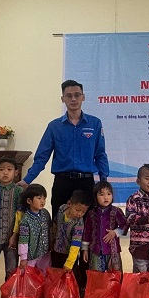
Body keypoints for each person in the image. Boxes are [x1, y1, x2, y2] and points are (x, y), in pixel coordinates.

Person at [17, 79, 108, 218]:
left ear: (83, 97)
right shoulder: (54, 126)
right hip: (62, 183)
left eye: (77, 95)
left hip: (86, 183)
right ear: (62, 99)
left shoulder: (95, 123)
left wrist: (103, 181)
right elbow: (41, 157)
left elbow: (100, 154)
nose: (73, 99)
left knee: (87, 225)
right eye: (69, 96)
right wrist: (26, 180)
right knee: (58, 223)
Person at [51, 189, 93, 293]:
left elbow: (76, 245)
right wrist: (52, 240)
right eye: (78, 210)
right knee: (56, 275)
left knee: (73, 278)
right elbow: (55, 224)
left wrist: (69, 263)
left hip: (69, 255)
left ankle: (76, 296)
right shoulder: (62, 209)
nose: (80, 214)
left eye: (83, 212)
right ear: (69, 204)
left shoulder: (79, 223)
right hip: (56, 251)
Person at [81, 181, 128, 272]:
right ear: (95, 197)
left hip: (113, 251)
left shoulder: (116, 211)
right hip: (96, 250)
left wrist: (115, 232)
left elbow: (125, 225)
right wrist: (85, 249)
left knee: (115, 276)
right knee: (96, 276)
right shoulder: (91, 213)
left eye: (109, 194)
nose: (106, 197)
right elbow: (87, 232)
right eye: (101, 194)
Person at [17, 184, 52, 275]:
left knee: (44, 274)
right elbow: (23, 240)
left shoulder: (45, 213)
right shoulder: (26, 220)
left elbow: (50, 230)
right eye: (39, 198)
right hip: (31, 256)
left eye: (44, 198)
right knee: (29, 275)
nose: (42, 201)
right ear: (29, 201)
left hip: (45, 253)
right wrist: (23, 258)